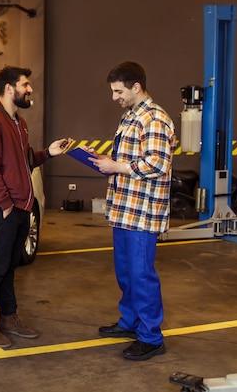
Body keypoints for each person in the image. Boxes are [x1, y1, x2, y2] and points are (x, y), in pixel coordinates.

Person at [0, 65, 69, 348]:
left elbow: (23, 163)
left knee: (10, 266)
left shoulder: (20, 123)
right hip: (4, 208)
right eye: (25, 84)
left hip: (21, 208)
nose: (30, 90)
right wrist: (4, 204)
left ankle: (9, 316)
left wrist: (47, 154)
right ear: (8, 89)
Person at [89, 61, 176, 361]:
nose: (114, 97)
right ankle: (131, 323)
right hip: (124, 210)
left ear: (136, 87)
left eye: (118, 91)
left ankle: (151, 337)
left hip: (142, 212)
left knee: (141, 276)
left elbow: (156, 164)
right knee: (126, 273)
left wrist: (116, 166)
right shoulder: (130, 117)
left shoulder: (154, 118)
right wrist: (102, 160)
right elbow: (127, 159)